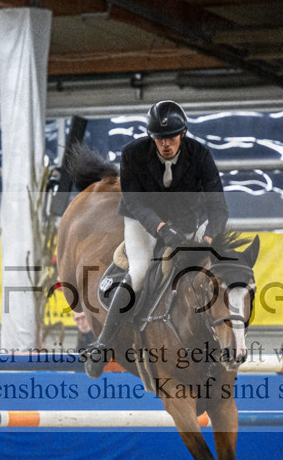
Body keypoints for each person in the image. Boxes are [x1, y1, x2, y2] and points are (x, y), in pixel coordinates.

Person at [84, 100, 228, 378]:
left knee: (213, 272)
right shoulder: (133, 154)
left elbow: (218, 206)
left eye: (171, 137)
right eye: (159, 138)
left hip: (188, 222)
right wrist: (161, 228)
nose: (165, 144)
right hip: (143, 222)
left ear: (182, 134)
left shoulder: (200, 155)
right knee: (138, 272)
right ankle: (102, 345)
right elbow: (135, 202)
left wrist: (211, 235)